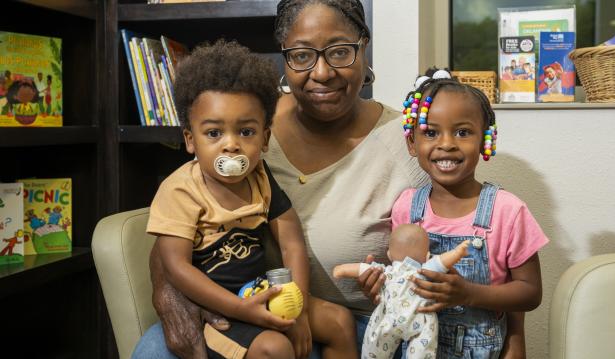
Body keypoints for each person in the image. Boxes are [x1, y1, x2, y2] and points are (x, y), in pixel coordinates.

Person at [133, 1, 430, 358]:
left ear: (362, 47)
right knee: (153, 350)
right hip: (241, 301)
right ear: (284, 57)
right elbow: (177, 235)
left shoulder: (410, 143)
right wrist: (168, 294)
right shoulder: (241, 114)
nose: (321, 72)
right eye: (302, 55)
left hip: (364, 322)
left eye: (339, 51)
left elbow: (464, 233)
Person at [143, 39, 357, 359]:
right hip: (218, 308)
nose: (231, 146)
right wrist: (242, 310)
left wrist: (295, 303)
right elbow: (176, 267)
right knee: (275, 348)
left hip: (261, 291)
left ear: (265, 137)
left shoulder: (259, 177)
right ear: (190, 140)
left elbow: (291, 243)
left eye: (245, 132)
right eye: (214, 133)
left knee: (339, 321)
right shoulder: (179, 191)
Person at [389, 71, 548, 358]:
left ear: (486, 140)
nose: (447, 143)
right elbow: (400, 284)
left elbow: (530, 292)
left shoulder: (508, 210)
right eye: (431, 132)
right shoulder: (406, 208)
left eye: (462, 132)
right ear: (412, 143)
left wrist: (468, 294)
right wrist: (378, 283)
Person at [333, 224, 470, 359]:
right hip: (420, 321)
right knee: (422, 351)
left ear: (389, 255)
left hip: (388, 320)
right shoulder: (425, 271)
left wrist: (341, 270)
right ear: (427, 256)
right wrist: (458, 252)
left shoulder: (385, 272)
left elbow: (362, 268)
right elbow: (442, 261)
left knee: (374, 349)